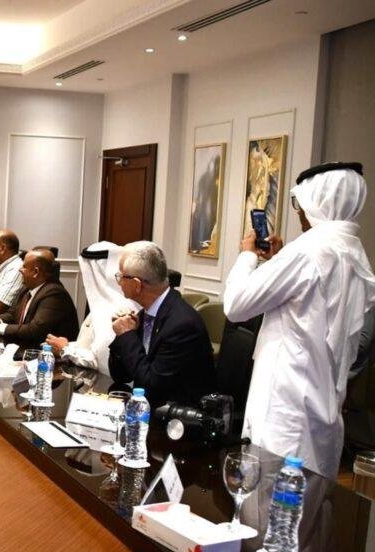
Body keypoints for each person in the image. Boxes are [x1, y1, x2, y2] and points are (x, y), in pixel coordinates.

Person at [224, 162, 375, 479]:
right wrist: (278, 262)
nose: (299, 212)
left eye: (299, 203)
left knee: (271, 501)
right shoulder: (352, 250)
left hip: (285, 407)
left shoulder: (307, 250)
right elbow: (308, 304)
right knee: (311, 498)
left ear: (317, 201)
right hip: (324, 403)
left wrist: (247, 255)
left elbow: (236, 306)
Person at [108, 241, 215, 407]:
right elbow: (121, 376)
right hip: (150, 408)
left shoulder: (182, 325)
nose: (119, 282)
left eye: (121, 276)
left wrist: (126, 335)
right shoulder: (147, 314)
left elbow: (151, 384)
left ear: (137, 284)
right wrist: (125, 334)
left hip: (178, 415)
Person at [47, 242, 138, 376]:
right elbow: (89, 347)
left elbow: (101, 362)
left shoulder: (118, 311)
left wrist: (65, 348)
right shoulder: (102, 304)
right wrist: (64, 345)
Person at [0, 248, 79, 355]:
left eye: (24, 266)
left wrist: (0, 327)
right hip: (24, 351)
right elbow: (12, 313)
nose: (20, 269)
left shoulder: (54, 294)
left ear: (36, 272)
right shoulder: (27, 288)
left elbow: (34, 330)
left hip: (49, 359)